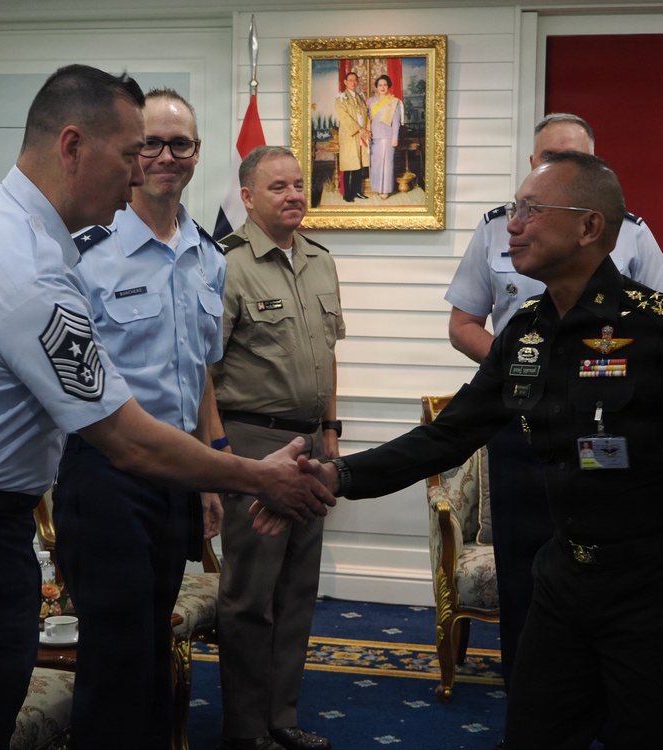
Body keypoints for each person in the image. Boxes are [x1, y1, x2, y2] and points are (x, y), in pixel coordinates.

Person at [0, 66, 333, 750]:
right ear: (73, 146)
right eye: (130, 154)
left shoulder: (8, 229)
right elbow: (126, 439)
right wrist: (260, 478)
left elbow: (186, 372)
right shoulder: (22, 259)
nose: (140, 173)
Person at [287, 151, 663, 750]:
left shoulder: (661, 330)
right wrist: (338, 475)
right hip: (562, 581)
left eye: (532, 211)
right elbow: (448, 435)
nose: (513, 225)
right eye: (514, 210)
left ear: (589, 227)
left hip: (653, 590)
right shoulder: (527, 330)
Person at [444, 112, 663, 703]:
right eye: (548, 158)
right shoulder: (497, 229)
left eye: (574, 161)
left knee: (598, 573)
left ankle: (601, 713)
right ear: (531, 164)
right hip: (518, 429)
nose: (557, 169)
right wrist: (523, 374)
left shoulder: (629, 232)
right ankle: (528, 710)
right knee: (525, 575)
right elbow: (463, 324)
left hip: (602, 436)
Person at [51, 88, 226, 750]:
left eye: (179, 144)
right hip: (106, 476)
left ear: (196, 154)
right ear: (130, 153)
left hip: (175, 473)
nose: (164, 157)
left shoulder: (209, 257)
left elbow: (202, 372)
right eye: (150, 143)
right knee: (116, 658)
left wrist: (210, 468)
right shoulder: (85, 252)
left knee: (156, 644)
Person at [209, 145, 345, 750]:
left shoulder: (320, 260)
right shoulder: (225, 265)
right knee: (250, 597)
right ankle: (245, 732)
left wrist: (333, 431)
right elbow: (200, 373)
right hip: (252, 441)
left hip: (312, 442)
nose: (294, 195)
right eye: (277, 187)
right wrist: (217, 455)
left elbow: (329, 355)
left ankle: (281, 721)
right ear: (247, 197)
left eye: (299, 184)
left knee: (296, 590)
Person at [334, 70, 369, 202]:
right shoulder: (340, 99)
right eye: (350, 80)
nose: (353, 83)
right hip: (350, 135)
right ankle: (347, 193)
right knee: (348, 164)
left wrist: (367, 130)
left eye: (355, 80)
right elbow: (344, 117)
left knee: (358, 164)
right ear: (345, 82)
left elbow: (366, 115)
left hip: (361, 135)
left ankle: (357, 191)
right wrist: (358, 129)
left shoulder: (360, 97)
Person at [366, 74, 402, 199]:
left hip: (387, 136)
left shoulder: (394, 102)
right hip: (374, 136)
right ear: (376, 87)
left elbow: (396, 121)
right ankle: (377, 187)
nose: (382, 87)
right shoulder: (370, 101)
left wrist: (395, 137)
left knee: (387, 163)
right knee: (376, 163)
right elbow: (366, 119)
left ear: (389, 86)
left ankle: (385, 190)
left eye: (385, 85)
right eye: (380, 85)